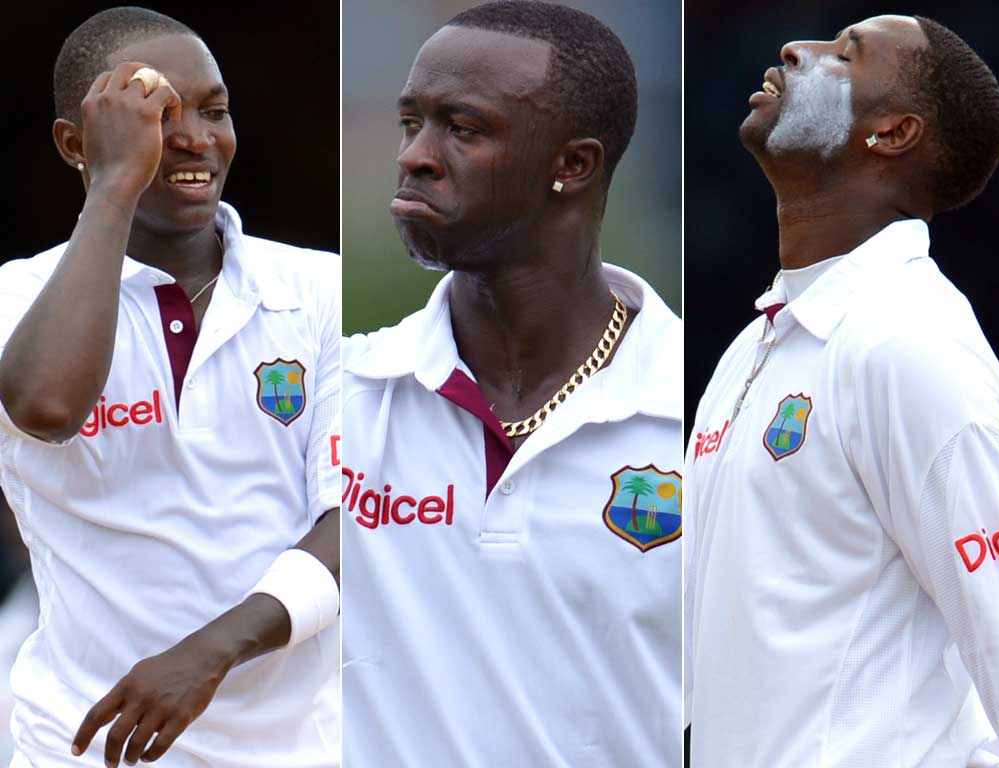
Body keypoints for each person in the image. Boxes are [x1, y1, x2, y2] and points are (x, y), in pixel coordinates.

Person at [342, 1, 682, 765]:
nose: (415, 156)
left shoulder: (709, 411)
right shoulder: (346, 392)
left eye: (462, 129)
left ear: (573, 165)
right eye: (410, 123)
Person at [0, 7, 340, 767]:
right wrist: (115, 184)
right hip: (79, 748)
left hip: (297, 751)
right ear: (74, 143)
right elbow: (47, 408)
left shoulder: (323, 290)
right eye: (154, 113)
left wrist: (208, 653)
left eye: (214, 111)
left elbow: (353, 522)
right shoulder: (16, 299)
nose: (193, 137)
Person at [685, 14, 999, 767]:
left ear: (893, 132)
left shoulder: (910, 341)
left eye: (846, 54)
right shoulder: (753, 348)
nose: (793, 49)